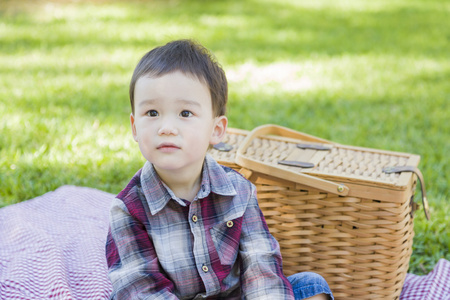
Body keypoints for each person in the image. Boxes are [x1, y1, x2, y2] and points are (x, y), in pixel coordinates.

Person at [105, 39, 333, 300]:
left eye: (185, 113)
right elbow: (141, 289)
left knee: (313, 287)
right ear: (135, 127)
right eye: (152, 112)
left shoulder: (239, 190)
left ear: (216, 130)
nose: (166, 127)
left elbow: (260, 265)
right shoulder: (128, 209)